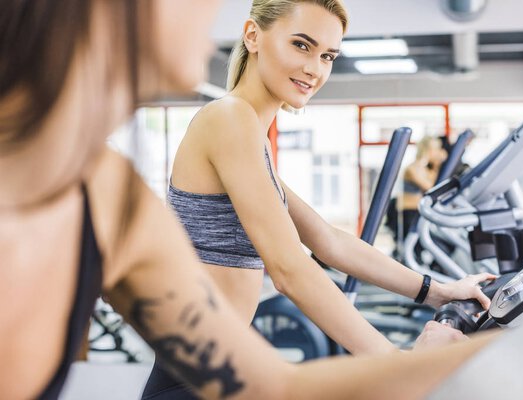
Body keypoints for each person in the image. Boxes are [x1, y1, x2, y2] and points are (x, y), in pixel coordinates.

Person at [0, 1, 496, 399]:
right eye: (303, 45)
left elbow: (325, 243)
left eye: (327, 55)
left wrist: (437, 301)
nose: (316, 68)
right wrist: (403, 362)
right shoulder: (228, 119)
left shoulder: (109, 190)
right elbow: (291, 268)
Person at [401, 135, 448, 240]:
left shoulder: (426, 169)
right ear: (428, 150)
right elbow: (431, 188)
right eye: (436, 149)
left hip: (420, 213)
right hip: (410, 214)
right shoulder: (412, 169)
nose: (439, 152)